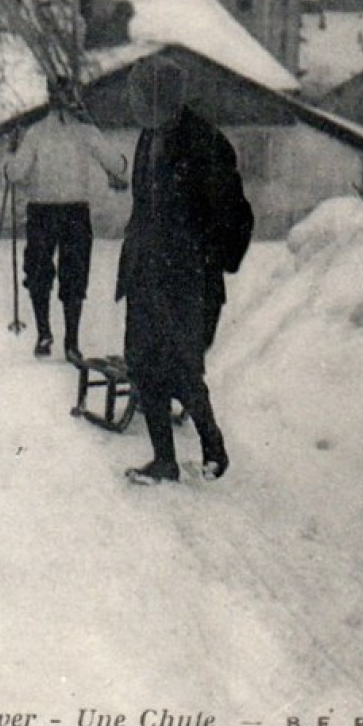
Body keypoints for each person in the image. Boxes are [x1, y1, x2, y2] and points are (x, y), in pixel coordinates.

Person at [115, 56, 253, 485]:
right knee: (143, 364)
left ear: (163, 98)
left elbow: (235, 216)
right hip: (146, 272)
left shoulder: (205, 142)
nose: (135, 105)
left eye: (142, 96)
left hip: (186, 280)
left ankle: (214, 450)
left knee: (182, 368)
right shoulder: (148, 136)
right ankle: (165, 460)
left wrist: (204, 264)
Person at [3, 76, 129, 362]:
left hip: (43, 211)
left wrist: (11, 153)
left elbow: (14, 173)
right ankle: (71, 342)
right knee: (73, 275)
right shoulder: (85, 131)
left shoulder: (35, 133)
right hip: (73, 212)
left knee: (38, 273)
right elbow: (119, 166)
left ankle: (44, 333)